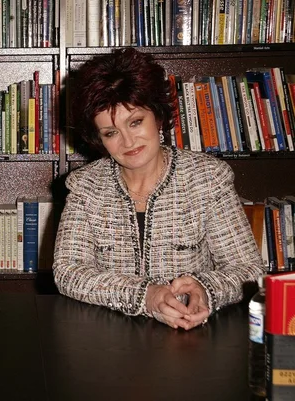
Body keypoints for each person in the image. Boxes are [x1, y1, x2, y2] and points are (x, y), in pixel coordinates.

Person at [53, 48, 263, 330]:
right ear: (99, 138)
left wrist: (205, 289)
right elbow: (68, 273)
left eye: (136, 122)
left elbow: (248, 270)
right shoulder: (85, 187)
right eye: (111, 133)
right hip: (107, 343)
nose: (128, 141)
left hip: (191, 341)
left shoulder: (207, 179)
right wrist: (145, 295)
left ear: (158, 116)